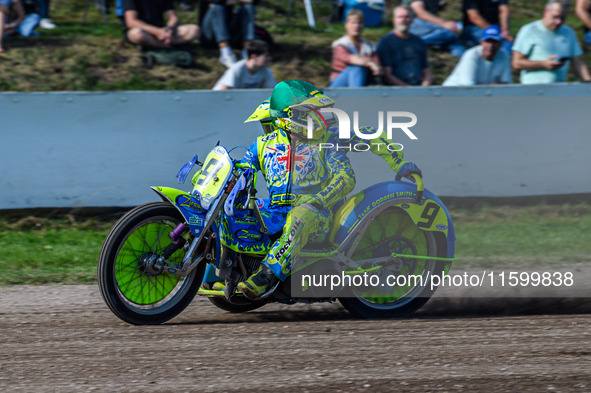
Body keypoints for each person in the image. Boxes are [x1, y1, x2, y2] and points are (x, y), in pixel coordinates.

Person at [236, 80, 422, 299]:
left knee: (301, 215)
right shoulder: (262, 143)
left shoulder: (329, 139)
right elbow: (241, 171)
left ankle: (266, 276)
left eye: (319, 111)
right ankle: (230, 272)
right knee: (239, 212)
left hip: (320, 214)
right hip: (277, 210)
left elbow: (351, 169)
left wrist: (399, 164)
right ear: (290, 117)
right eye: (311, 112)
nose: (320, 117)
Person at [512, 0, 591, 84]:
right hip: (532, 90)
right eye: (555, 17)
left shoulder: (568, 32)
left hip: (559, 91)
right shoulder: (529, 31)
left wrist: (588, 82)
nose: (558, 22)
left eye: (562, 18)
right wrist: (543, 64)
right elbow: (517, 63)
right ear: (546, 11)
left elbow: (577, 61)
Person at [377, 5, 432, 86]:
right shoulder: (386, 42)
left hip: (418, 87)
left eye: (407, 17)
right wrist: (408, 90)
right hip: (395, 91)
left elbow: (426, 70)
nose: (403, 20)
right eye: (400, 17)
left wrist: (425, 85)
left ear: (412, 20)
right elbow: (386, 75)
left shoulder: (419, 42)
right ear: (394, 20)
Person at [328, 9, 381, 87]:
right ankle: (356, 97)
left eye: (360, 23)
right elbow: (349, 58)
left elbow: (378, 69)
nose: (357, 26)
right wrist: (370, 63)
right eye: (353, 23)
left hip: (365, 82)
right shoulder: (340, 44)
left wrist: (374, 65)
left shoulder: (369, 47)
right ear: (346, 25)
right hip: (339, 85)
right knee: (356, 69)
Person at [443, 25, 512, 86]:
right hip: (452, 94)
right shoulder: (471, 55)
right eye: (487, 41)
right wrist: (492, 86)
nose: (490, 45)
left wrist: (493, 86)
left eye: (494, 42)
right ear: (481, 42)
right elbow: (468, 86)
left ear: (501, 44)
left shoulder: (504, 55)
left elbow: (506, 84)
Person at [199, 0, 255, 68]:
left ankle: (247, 50)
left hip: (228, 31)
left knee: (248, 7)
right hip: (209, 34)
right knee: (217, 8)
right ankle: (225, 52)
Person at [123, 0, 199, 48]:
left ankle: (157, 44)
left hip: (163, 31)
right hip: (144, 31)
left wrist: (169, 29)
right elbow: (131, 22)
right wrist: (157, 32)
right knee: (137, 34)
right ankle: (166, 46)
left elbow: (173, 17)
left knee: (194, 30)